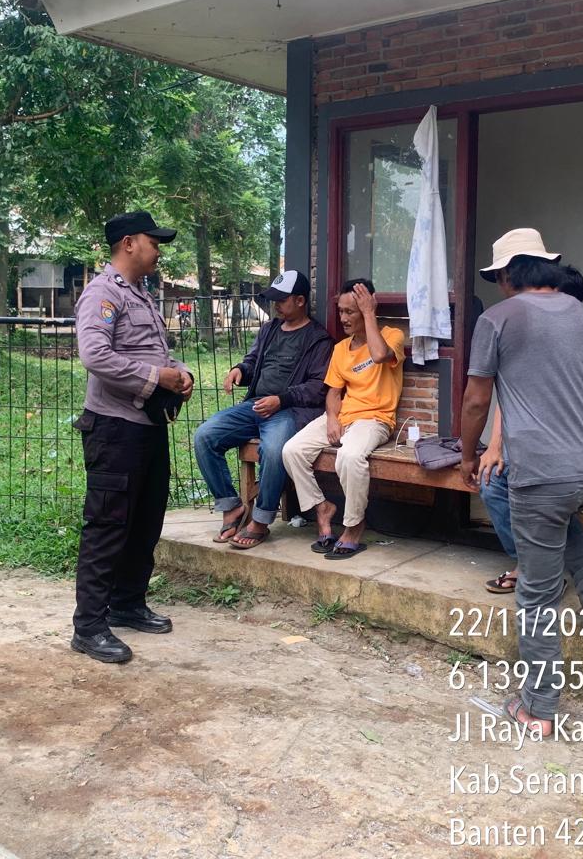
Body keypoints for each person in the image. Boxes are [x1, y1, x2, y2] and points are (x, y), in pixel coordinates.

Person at [459, 229, 583, 738]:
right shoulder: (582, 315)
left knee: (536, 594)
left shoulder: (496, 319)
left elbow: (476, 400)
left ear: (509, 274)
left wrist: (467, 454)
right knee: (548, 512)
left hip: (545, 474)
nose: (498, 284)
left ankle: (537, 708)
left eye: (498, 276)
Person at [70, 210, 194, 665]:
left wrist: (180, 372)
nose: (158, 250)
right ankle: (89, 626)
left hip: (146, 427)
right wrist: (156, 378)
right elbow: (95, 355)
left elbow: (154, 353)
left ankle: (127, 603)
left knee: (145, 520)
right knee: (107, 525)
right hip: (114, 428)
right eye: (153, 241)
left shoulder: (141, 294)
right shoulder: (103, 293)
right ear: (128, 243)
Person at [480, 264, 583, 597]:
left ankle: (534, 571)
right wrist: (494, 446)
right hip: (541, 455)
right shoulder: (526, 329)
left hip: (568, 458)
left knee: (544, 496)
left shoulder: (580, 336)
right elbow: (509, 398)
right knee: (494, 482)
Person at [194, 270, 334, 549]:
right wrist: (239, 370)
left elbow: (318, 388)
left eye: (282, 300)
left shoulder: (318, 340)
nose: (276, 305)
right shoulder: (269, 330)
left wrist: (281, 400)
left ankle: (260, 520)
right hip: (255, 406)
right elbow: (253, 361)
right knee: (205, 436)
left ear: (300, 301)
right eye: (274, 300)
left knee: (273, 449)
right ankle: (232, 506)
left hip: (289, 411)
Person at [282, 279, 404, 559]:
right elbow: (334, 393)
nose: (344, 318)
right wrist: (332, 418)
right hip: (343, 416)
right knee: (292, 451)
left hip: (375, 419)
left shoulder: (392, 336)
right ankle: (322, 508)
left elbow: (379, 355)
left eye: (351, 311)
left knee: (349, 456)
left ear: (368, 307)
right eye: (341, 311)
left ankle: (354, 525)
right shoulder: (340, 349)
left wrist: (369, 313)